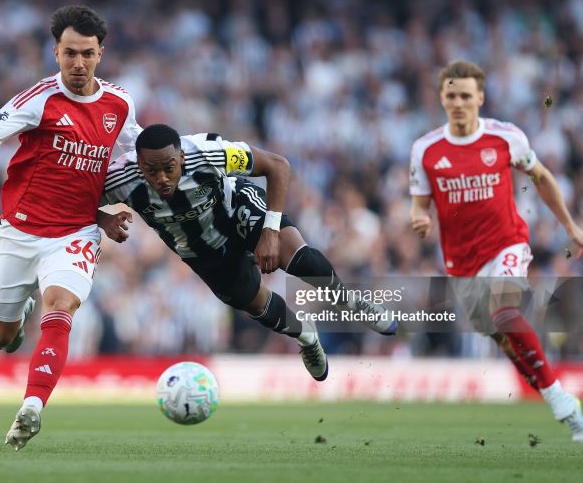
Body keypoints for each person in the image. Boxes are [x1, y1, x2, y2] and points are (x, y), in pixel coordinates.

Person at [0, 5, 142, 450]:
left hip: (75, 234)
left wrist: (111, 210)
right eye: (69, 54)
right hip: (19, 233)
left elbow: (136, 153)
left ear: (101, 53)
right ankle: (16, 318)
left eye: (87, 54)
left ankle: (32, 407)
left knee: (60, 310)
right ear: (55, 52)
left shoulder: (119, 104)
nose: (78, 64)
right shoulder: (38, 99)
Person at [98, 124, 398, 382]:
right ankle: (306, 336)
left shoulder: (208, 152)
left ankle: (350, 302)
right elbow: (68, 202)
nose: (162, 177)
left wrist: (269, 231)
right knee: (255, 306)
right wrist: (104, 219)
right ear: (138, 164)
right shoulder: (119, 180)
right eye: (152, 170)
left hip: (236, 210)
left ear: (182, 157)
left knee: (295, 254)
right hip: (203, 253)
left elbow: (277, 165)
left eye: (169, 168)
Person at [409, 59, 583, 443]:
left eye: (466, 96)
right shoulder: (425, 150)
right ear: (441, 98)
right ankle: (557, 395)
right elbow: (419, 204)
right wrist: (419, 217)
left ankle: (559, 401)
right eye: (451, 95)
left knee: (504, 313)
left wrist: (570, 226)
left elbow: (541, 177)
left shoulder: (506, 138)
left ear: (481, 98)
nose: (458, 102)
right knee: (500, 336)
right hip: (461, 261)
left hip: (507, 243)